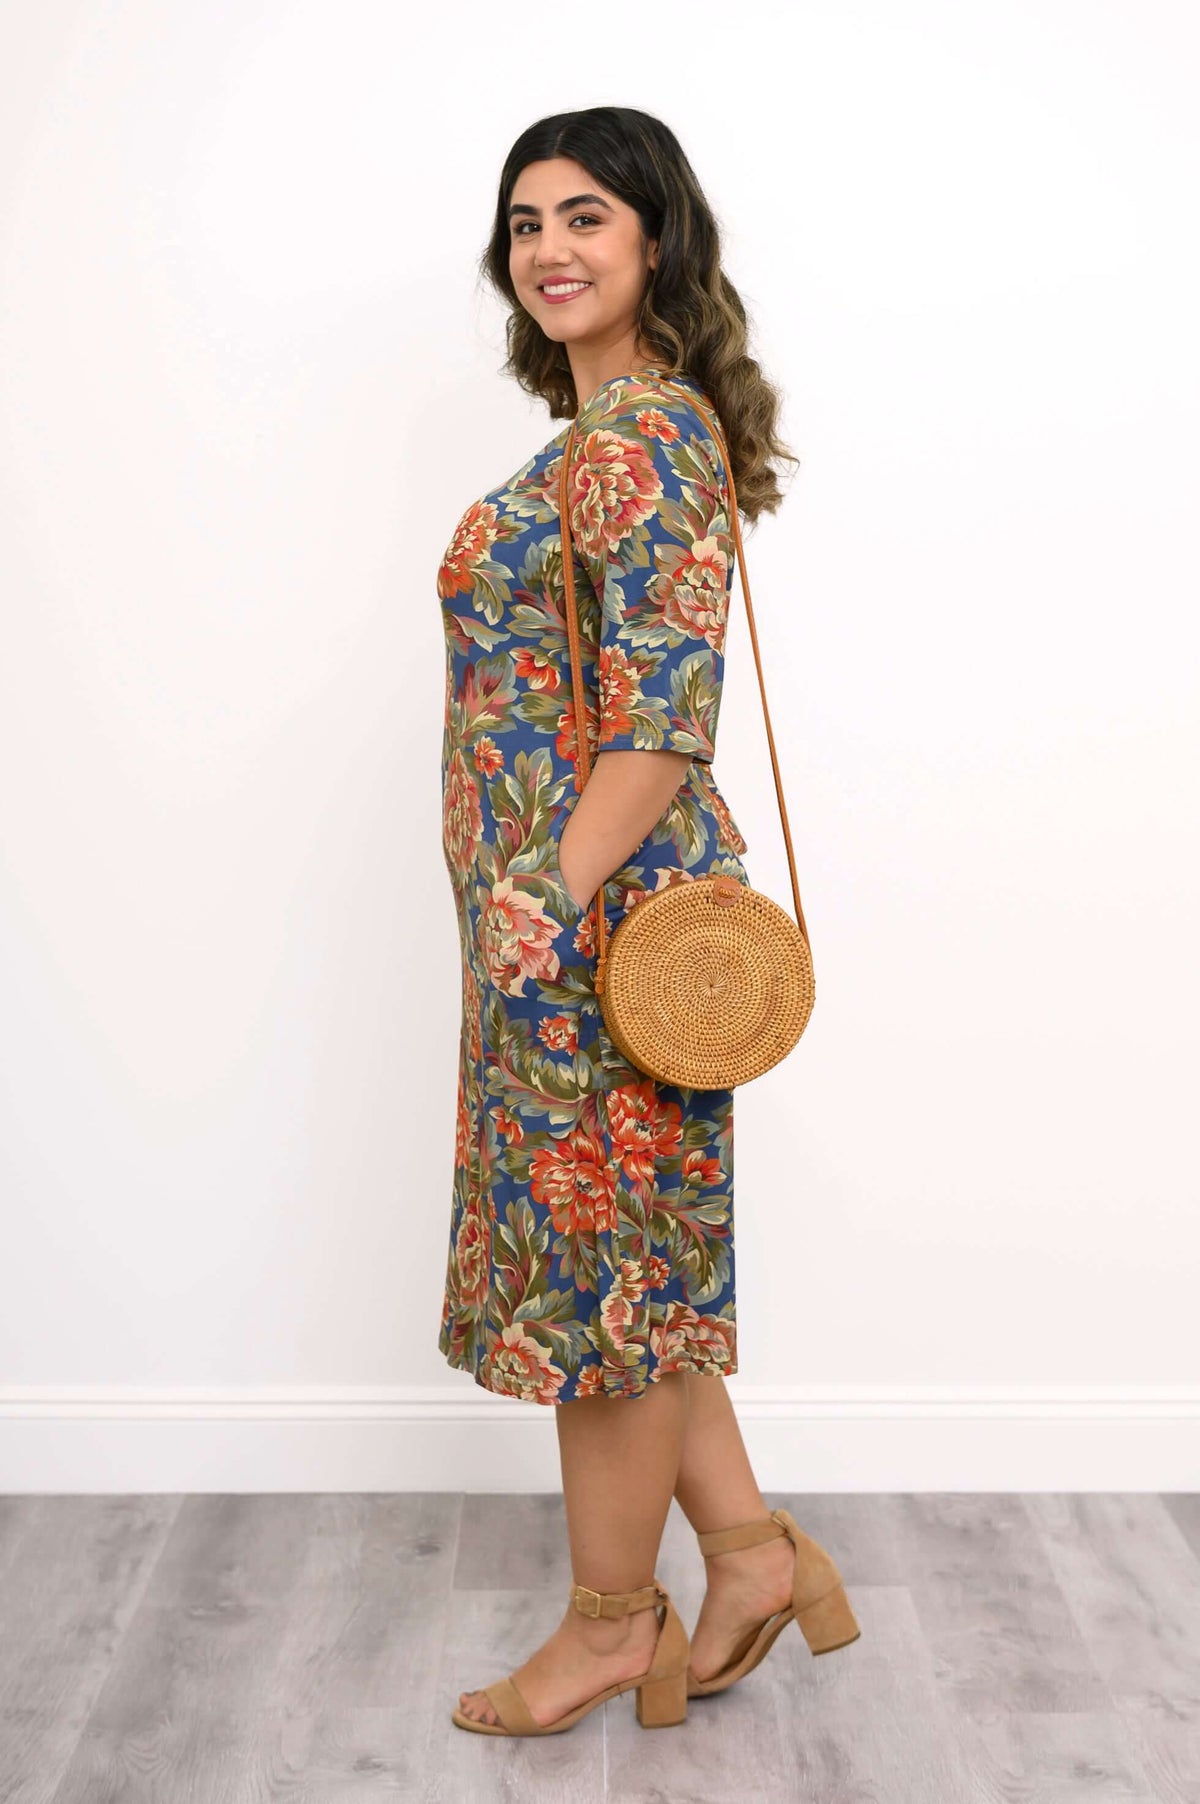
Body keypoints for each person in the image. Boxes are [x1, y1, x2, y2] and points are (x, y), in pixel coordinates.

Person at [436, 106, 859, 1737]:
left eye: (588, 217)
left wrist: (541, 904)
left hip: (590, 931)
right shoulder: (612, 436)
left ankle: (615, 1627)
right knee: (635, 1280)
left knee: (600, 1307)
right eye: (527, 220)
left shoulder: (640, 442)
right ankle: (749, 1557)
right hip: (569, 925)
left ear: (658, 243)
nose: (550, 246)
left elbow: (663, 719)